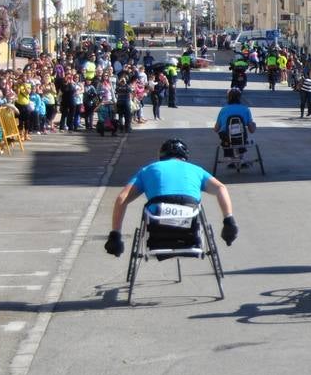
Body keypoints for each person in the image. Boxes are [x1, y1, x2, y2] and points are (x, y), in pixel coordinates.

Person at [105, 139, 237, 258]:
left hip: (158, 226)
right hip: (190, 225)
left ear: (161, 157)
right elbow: (221, 188)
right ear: (185, 157)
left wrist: (115, 235)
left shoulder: (148, 170)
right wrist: (228, 220)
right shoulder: (196, 169)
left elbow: (122, 198)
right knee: (197, 207)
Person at [213, 89, 256, 169]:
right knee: (240, 134)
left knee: (225, 136)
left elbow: (216, 129)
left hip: (227, 140)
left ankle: (232, 160)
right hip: (241, 138)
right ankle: (240, 159)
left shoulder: (224, 110)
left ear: (228, 98)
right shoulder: (245, 109)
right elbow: (251, 130)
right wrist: (254, 125)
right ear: (240, 98)